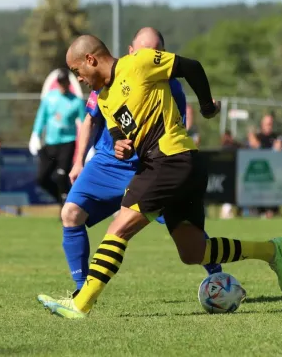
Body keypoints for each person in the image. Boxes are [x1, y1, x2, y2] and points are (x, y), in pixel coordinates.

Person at [38, 34, 282, 318]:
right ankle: (271, 251)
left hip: (171, 159)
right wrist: (119, 141)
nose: (80, 79)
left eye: (78, 72)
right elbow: (117, 126)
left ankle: (81, 304)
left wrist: (207, 107)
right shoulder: (106, 97)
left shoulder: (140, 62)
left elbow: (192, 67)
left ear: (91, 59)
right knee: (193, 252)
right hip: (179, 165)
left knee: (118, 229)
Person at [60, 28, 222, 295]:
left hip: (151, 166)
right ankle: (81, 290)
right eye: (142, 48)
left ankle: (218, 277)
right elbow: (94, 119)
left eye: (155, 48)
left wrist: (205, 108)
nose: (149, 53)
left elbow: (170, 129)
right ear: (130, 49)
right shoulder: (105, 84)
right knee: (71, 213)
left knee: (183, 231)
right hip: (108, 163)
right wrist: (79, 162)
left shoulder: (170, 88)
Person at [29, 68, 86, 206]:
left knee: (62, 176)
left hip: (67, 143)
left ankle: (67, 205)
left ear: (68, 83)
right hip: (50, 143)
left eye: (64, 82)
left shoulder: (76, 101)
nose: (62, 85)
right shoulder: (49, 98)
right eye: (59, 82)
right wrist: (35, 134)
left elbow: (85, 123)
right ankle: (62, 200)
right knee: (42, 178)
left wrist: (89, 145)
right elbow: (41, 117)